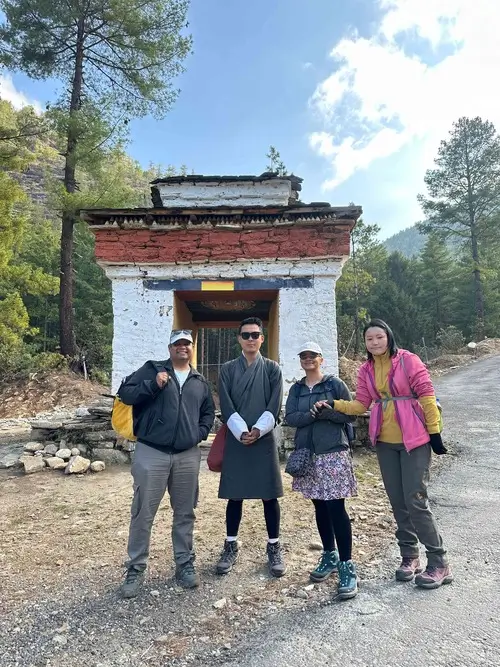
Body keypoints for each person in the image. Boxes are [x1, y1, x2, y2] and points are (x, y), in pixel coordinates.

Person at [322, 319, 452, 589]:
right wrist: (334, 404)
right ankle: (409, 556)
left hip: (414, 439)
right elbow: (361, 404)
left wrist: (435, 432)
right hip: (384, 441)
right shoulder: (366, 369)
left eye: (379, 337)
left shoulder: (408, 360)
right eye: (369, 339)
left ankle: (439, 562)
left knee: (415, 499)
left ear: (389, 337)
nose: (375, 342)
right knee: (397, 501)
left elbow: (427, 395)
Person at [117, 329, 215, 598]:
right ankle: (136, 568)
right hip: (152, 451)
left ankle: (184, 564)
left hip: (187, 455)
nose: (182, 348)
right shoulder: (152, 369)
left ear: (192, 347)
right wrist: (153, 385)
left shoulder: (198, 380)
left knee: (185, 512)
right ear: (170, 348)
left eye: (187, 343)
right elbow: (126, 393)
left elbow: (208, 412)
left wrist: (198, 434)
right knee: (142, 513)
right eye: (177, 344)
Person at [285, 342, 359, 600]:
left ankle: (347, 565)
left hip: (333, 453)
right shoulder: (296, 389)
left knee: (336, 508)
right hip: (308, 454)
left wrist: (327, 411)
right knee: (319, 506)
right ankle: (329, 554)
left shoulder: (334, 384)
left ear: (321, 359)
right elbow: (291, 418)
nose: (308, 360)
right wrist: (312, 414)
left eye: (312, 356)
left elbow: (351, 415)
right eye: (304, 356)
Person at [216, 317, 285, 577]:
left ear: (262, 338)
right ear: (239, 339)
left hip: (263, 438)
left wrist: (257, 430)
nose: (251, 339)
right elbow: (226, 404)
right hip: (237, 438)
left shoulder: (272, 369)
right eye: (245, 335)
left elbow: (274, 404)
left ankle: (274, 546)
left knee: (269, 495)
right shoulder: (227, 369)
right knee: (235, 494)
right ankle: (230, 544)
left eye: (255, 335)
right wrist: (242, 431)